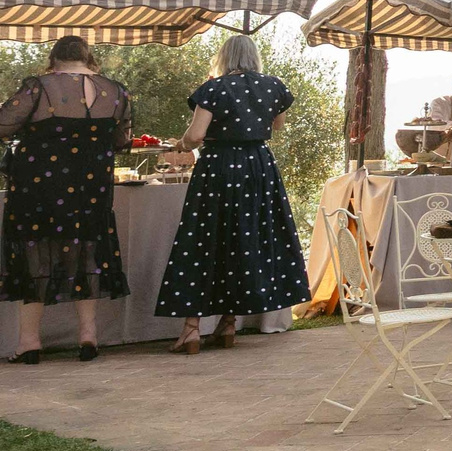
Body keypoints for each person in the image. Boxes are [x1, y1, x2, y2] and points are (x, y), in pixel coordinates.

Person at [156, 35, 310, 355]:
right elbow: (277, 125)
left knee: (204, 240)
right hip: (258, 167)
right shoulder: (273, 86)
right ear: (254, 57)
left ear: (223, 57)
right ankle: (228, 324)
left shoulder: (214, 88)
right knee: (244, 240)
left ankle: (191, 329)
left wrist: (182, 144)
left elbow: (196, 135)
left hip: (220, 167)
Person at [1, 36, 130, 363]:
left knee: (35, 254)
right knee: (87, 252)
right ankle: (88, 336)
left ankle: (29, 342)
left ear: (53, 58)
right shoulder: (116, 91)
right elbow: (121, 140)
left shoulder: (39, 87)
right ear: (88, 58)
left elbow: (3, 125)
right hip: (91, 187)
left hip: (39, 186)